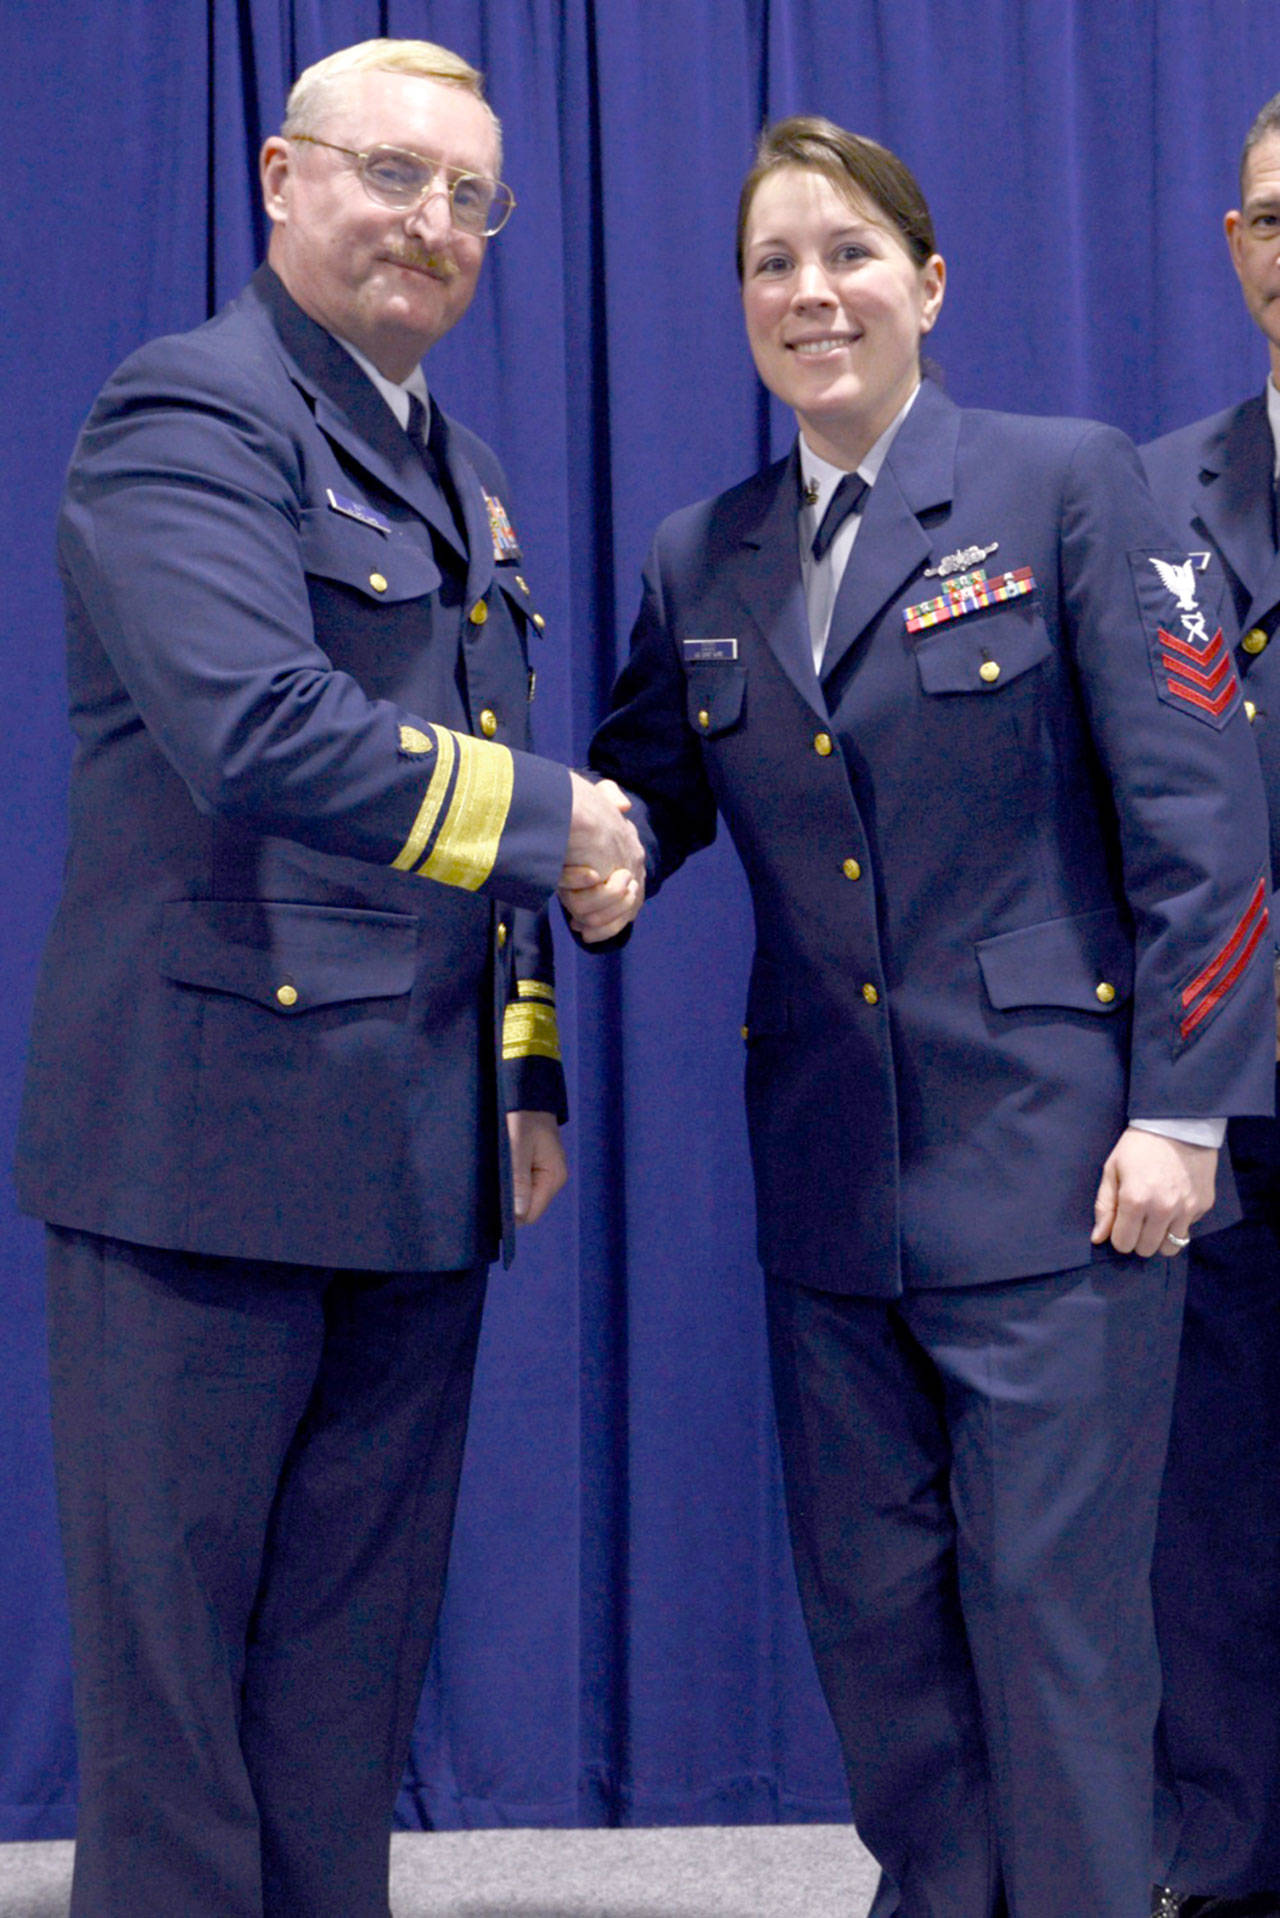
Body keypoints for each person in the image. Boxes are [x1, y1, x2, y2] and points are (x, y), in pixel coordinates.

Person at [571, 117, 1275, 1918]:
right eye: (773, 265)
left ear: (929, 284)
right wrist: (592, 853)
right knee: (885, 1649)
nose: (813, 293)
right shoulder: (701, 554)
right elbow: (647, 794)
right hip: (835, 1199)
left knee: (1058, 1648)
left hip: (1066, 1182)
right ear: (740, 305)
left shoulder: (1067, 484)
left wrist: (1182, 1113)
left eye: (851, 254)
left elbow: (1205, 831)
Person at [15, 37, 641, 1918]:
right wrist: (571, 821)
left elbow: (457, 818)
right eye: (392, 174)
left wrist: (521, 1073)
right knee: (185, 1703)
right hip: (201, 1151)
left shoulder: (459, 466)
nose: (430, 223)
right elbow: (264, 736)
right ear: (282, 178)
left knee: (340, 1690)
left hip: (408, 1150)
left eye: (468, 196)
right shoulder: (189, 416)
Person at [1140, 92, 1280, 1918]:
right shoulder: (1154, 498)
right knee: (1220, 1523)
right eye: (1273, 214)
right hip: (1223, 1090)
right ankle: (1235, 1878)